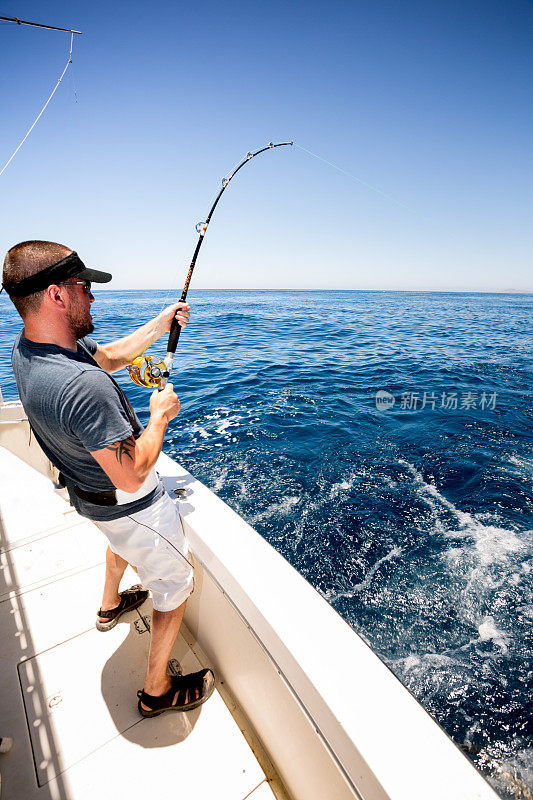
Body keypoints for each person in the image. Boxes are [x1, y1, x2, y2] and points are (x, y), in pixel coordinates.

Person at [2, 240, 214, 717]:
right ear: (57, 295)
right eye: (84, 288)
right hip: (127, 504)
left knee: (118, 538)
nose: (92, 297)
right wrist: (159, 415)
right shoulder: (81, 387)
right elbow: (135, 475)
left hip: (89, 496)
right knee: (176, 580)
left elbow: (112, 356)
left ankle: (108, 605)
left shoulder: (31, 351)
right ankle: (156, 691)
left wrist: (160, 325)